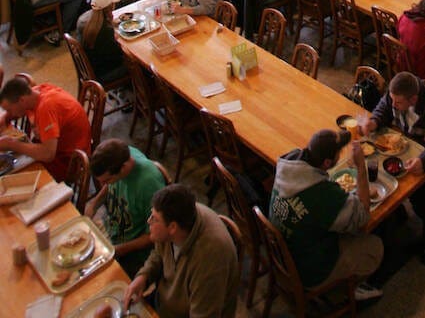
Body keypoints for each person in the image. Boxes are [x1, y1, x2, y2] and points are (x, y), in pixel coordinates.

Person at [269, 128, 383, 300]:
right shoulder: (322, 194)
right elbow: (362, 217)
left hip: (281, 255)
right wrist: (361, 167)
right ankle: (349, 289)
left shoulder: (288, 162)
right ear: (327, 163)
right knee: (374, 247)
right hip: (309, 271)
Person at [361, 72, 425, 265]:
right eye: (392, 99)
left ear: (413, 99)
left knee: (424, 202)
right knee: (374, 174)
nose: (393, 105)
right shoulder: (397, 94)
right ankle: (396, 215)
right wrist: (374, 120)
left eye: (397, 103)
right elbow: (384, 107)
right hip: (405, 150)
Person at [123, 183, 240, 318]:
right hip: (163, 303)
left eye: (154, 219)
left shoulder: (210, 258)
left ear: (173, 227)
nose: (149, 221)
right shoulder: (178, 220)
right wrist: (144, 276)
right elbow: (158, 254)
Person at [87, 139, 166, 276]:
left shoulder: (149, 184)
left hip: (134, 254)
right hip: (113, 232)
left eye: (106, 180)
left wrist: (118, 250)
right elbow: (109, 185)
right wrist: (94, 204)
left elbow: (154, 236)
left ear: (123, 167)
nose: (103, 184)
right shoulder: (121, 156)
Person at [0, 77, 91, 181]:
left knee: (15, 177)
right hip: (56, 147)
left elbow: (48, 154)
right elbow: (16, 110)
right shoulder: (36, 93)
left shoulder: (46, 108)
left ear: (21, 100)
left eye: (9, 110)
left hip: (71, 160)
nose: (10, 113)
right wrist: (5, 118)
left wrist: (11, 144)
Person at [77, 0, 127, 84]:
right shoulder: (105, 30)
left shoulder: (84, 19)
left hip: (92, 69)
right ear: (110, 7)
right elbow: (118, 55)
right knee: (137, 62)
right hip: (104, 73)